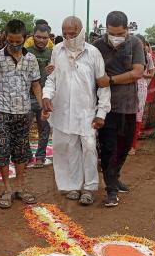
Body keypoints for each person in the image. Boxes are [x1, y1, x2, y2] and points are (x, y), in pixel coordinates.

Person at [42, 16, 111, 205]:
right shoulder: (57, 51)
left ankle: (89, 188)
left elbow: (103, 85)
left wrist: (101, 113)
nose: (68, 37)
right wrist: (46, 96)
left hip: (86, 112)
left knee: (89, 148)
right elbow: (52, 79)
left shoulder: (93, 53)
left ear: (81, 31)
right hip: (63, 111)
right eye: (64, 33)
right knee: (67, 148)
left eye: (72, 34)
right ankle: (73, 185)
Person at [0, 19, 42, 208]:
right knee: (3, 149)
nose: (15, 44)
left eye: (19, 41)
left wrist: (41, 106)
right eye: (11, 40)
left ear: (25, 38)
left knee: (21, 151)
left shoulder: (31, 59)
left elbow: (35, 84)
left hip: (24, 112)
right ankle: (7, 189)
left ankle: (20, 188)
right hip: (1, 110)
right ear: (5, 37)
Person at [93, 11, 145, 207]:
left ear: (127, 29)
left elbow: (137, 72)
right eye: (112, 33)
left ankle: (115, 177)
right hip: (105, 107)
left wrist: (111, 80)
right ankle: (111, 189)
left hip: (128, 105)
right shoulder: (97, 45)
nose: (116, 37)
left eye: (120, 33)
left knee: (124, 147)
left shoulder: (135, 43)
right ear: (105, 28)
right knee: (109, 148)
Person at [27, 24, 53, 168]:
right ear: (33, 36)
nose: (41, 40)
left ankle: (40, 157)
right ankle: (27, 156)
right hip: (27, 96)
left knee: (44, 129)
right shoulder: (26, 52)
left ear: (49, 38)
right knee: (25, 128)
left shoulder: (53, 53)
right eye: (38, 37)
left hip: (45, 97)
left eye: (45, 37)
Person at [130, 35, 155, 155]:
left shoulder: (148, 57)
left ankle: (133, 146)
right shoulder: (128, 54)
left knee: (137, 117)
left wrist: (139, 74)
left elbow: (151, 74)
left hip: (140, 88)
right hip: (127, 86)